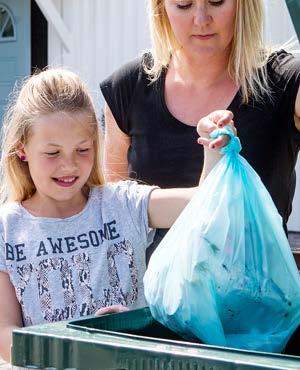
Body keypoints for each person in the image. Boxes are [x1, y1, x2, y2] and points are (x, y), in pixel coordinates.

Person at [100, 0, 300, 244]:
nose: (201, 19)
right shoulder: (127, 88)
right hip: (153, 295)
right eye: (183, 4)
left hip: (259, 293)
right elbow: (112, 215)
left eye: (217, 0)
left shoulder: (283, 79)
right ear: (160, 6)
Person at [0, 68, 234, 363]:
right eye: (52, 153)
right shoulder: (6, 228)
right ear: (22, 149)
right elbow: (5, 333)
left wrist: (213, 149)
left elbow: (204, 204)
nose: (69, 165)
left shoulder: (122, 204)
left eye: (82, 149)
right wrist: (82, 349)